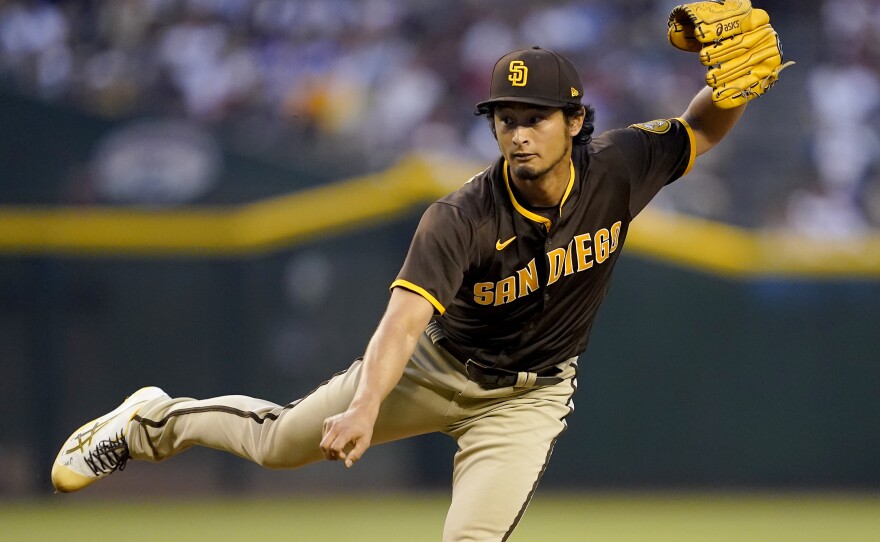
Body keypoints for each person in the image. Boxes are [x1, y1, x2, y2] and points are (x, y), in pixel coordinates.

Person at [51, 5, 788, 540]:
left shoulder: (621, 166)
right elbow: (404, 320)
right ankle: (149, 421)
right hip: (433, 367)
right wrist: (367, 405)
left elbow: (697, 129)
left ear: (575, 121)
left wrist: (734, 89)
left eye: (535, 116)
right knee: (277, 445)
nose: (518, 132)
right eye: (505, 117)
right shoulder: (462, 213)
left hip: (526, 400)